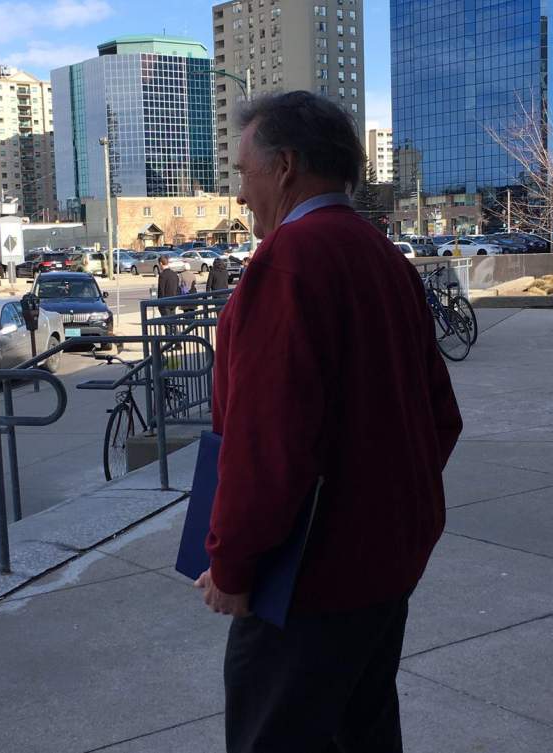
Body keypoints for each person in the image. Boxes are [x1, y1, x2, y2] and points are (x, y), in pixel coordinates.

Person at [195, 91, 462, 752]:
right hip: (384, 570)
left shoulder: (287, 263)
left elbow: (267, 445)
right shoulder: (387, 261)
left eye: (241, 172)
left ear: (284, 166)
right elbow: (442, 418)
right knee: (364, 732)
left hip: (306, 584)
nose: (238, 194)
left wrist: (232, 565)